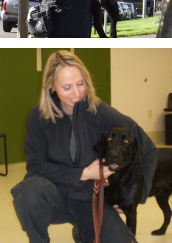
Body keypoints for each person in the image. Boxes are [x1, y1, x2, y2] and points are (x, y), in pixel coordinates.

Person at [11, 51, 157, 243]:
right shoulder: (38, 115)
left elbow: (148, 149)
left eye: (80, 83)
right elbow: (36, 167)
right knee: (28, 191)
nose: (77, 93)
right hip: (53, 196)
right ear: (51, 86)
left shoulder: (101, 112)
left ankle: (82, 232)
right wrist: (84, 174)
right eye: (66, 87)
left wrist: (137, 195)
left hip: (90, 200)